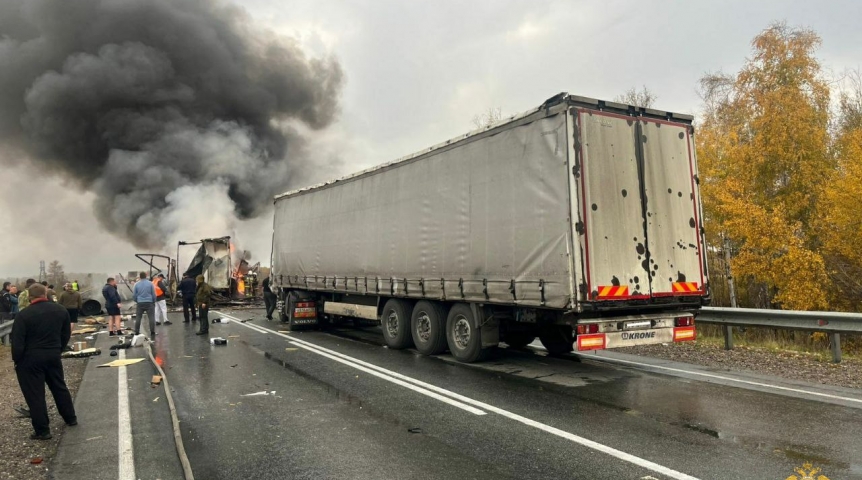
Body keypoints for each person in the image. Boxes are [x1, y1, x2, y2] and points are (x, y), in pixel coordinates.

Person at [11, 283, 77, 440]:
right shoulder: (60, 310)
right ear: (46, 294)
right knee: (59, 386)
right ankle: (70, 418)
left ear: (29, 297)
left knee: (35, 395)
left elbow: (17, 342)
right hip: (53, 354)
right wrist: (58, 349)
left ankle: (43, 430)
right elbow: (65, 333)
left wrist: (17, 360)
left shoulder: (24, 315)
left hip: (30, 359)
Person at [132, 272, 157, 337]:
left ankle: (136, 331)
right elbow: (153, 294)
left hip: (140, 303)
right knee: (151, 318)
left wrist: (137, 301)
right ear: (146, 276)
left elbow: (134, 295)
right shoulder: (150, 283)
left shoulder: (136, 284)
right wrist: (153, 301)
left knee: (138, 317)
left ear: (140, 277)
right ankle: (152, 331)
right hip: (149, 302)